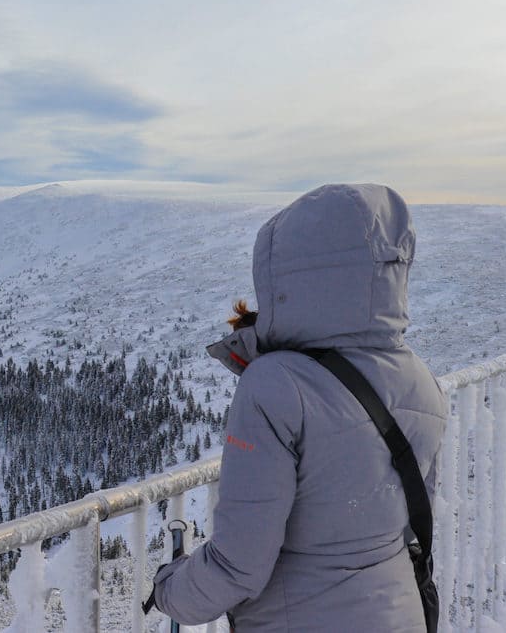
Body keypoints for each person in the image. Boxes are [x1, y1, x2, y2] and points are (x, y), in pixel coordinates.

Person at [151, 183, 448, 631]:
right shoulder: (421, 381)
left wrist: (170, 590)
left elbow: (238, 564)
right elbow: (405, 526)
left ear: (288, 277)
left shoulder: (273, 386)